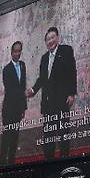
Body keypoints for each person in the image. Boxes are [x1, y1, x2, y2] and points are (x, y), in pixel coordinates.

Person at [26, 27, 77, 159]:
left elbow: (72, 72)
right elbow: (42, 79)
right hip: (48, 104)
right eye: (48, 39)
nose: (50, 41)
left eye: (53, 37)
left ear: (58, 38)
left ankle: (64, 159)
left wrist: (72, 93)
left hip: (62, 101)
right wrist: (33, 90)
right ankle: (48, 161)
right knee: (48, 135)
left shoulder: (66, 50)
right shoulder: (44, 58)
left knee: (63, 132)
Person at [0, 41, 27, 166]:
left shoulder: (23, 65)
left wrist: (23, 108)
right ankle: (2, 163)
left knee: (15, 137)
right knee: (6, 137)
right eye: (15, 51)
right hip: (8, 108)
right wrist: (23, 94)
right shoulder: (6, 69)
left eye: (19, 51)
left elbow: (23, 85)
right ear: (11, 52)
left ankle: (11, 162)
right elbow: (10, 89)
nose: (17, 53)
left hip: (18, 109)